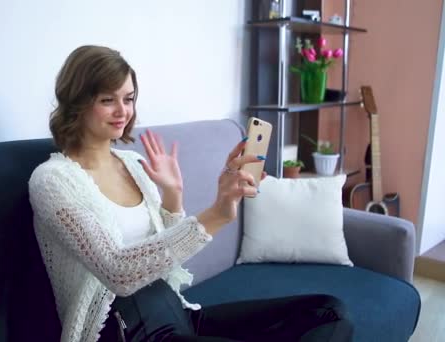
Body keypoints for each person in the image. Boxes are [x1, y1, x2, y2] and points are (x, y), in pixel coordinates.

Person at [28, 45, 353, 342]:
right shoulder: (52, 181)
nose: (122, 111)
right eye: (107, 100)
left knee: (328, 310)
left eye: (128, 98)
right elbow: (118, 272)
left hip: (176, 313)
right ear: (78, 102)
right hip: (127, 331)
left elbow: (167, 258)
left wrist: (173, 194)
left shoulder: (132, 163)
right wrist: (217, 213)